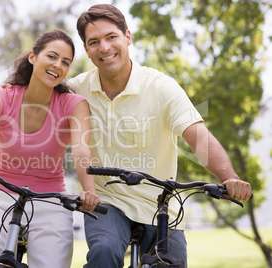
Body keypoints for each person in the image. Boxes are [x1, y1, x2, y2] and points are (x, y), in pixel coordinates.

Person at [66, 4, 253, 268]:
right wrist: (12, 84)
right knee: (104, 253)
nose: (104, 48)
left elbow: (199, 138)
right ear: (86, 49)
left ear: (127, 37)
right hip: (108, 202)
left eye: (111, 37)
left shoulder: (161, 87)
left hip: (161, 203)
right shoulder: (77, 89)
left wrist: (229, 178)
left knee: (171, 262)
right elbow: (37, 88)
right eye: (94, 42)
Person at [0, 29, 100, 268]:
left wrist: (89, 189)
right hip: (0, 194)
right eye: (51, 56)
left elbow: (81, 151)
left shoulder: (73, 104)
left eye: (65, 62)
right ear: (33, 57)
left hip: (50, 199)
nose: (57, 65)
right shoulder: (0, 96)